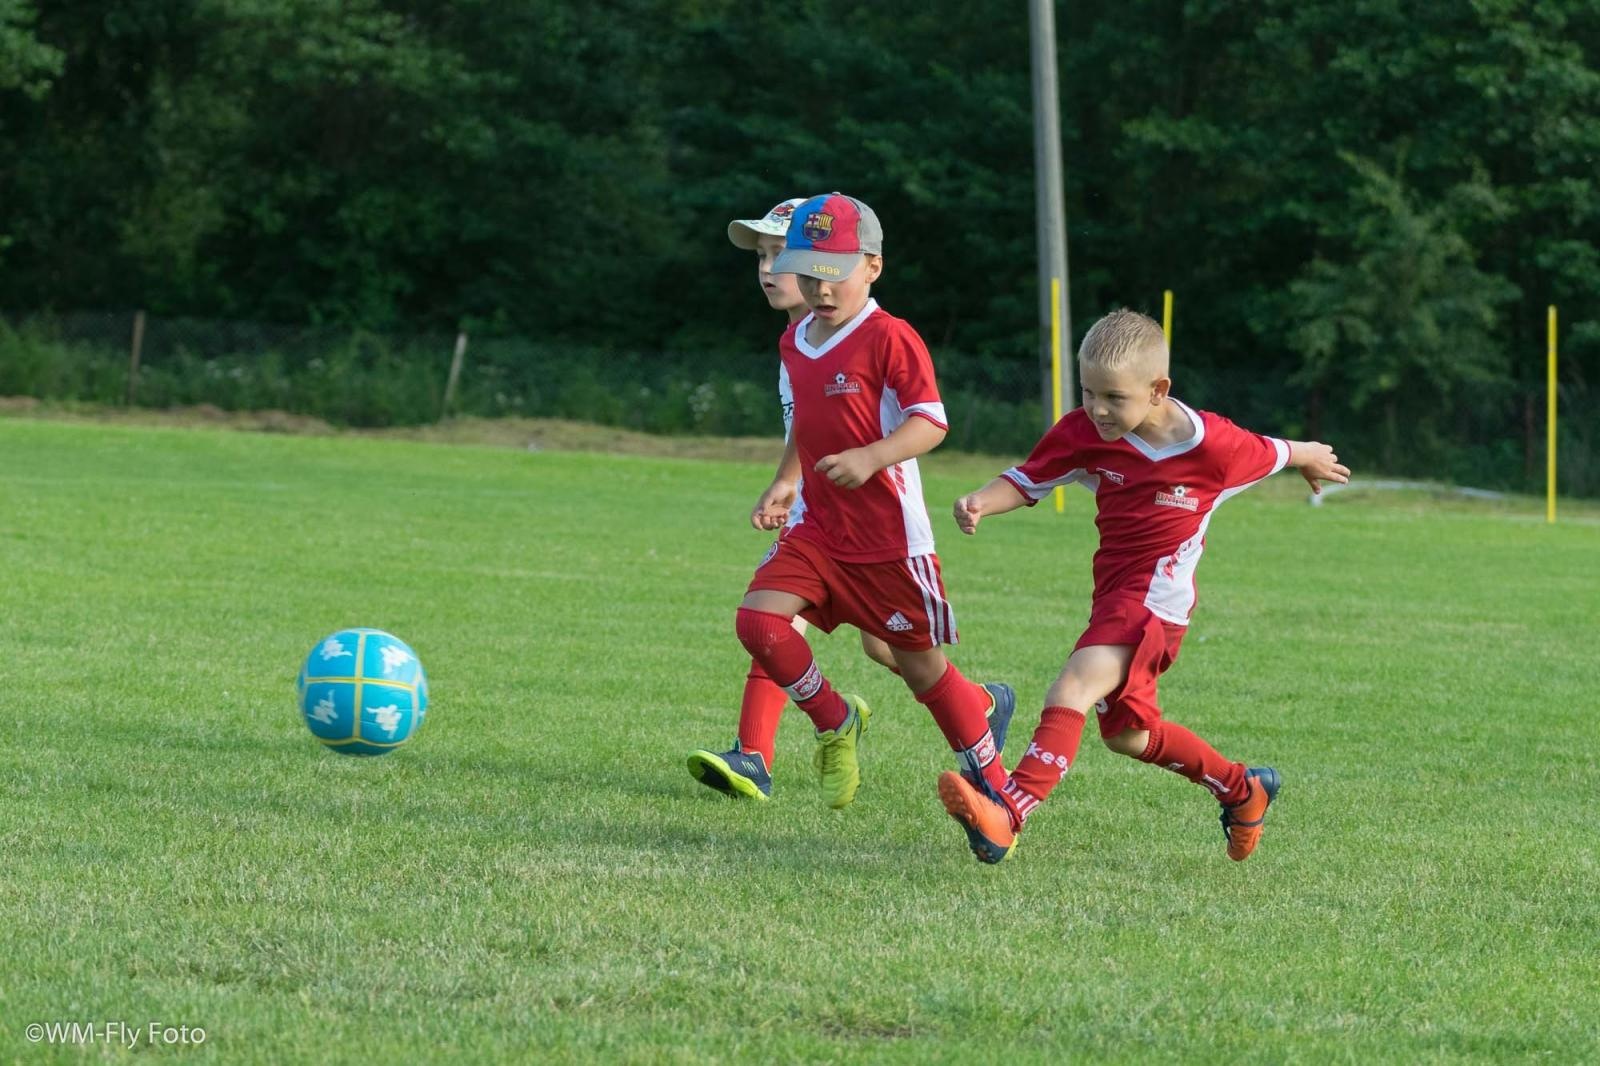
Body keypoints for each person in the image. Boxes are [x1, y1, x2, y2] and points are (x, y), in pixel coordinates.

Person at [937, 308, 1350, 863]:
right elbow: (1028, 478)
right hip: (1113, 596)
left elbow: (1273, 449)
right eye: (1088, 391)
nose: (1098, 409)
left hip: (1156, 606)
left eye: (1114, 397)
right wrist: (983, 501)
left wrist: (1310, 456)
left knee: (1073, 689)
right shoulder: (1084, 433)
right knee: (1128, 736)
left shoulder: (1214, 447)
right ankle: (1241, 789)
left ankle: (1006, 816)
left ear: (1158, 390)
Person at [715, 191, 1016, 811]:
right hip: (820, 530)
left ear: (873, 266)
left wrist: (871, 456)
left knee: (918, 666)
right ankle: (833, 721)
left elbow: (930, 423)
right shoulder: (795, 341)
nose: (819, 289)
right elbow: (809, 418)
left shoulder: (890, 337)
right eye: (806, 273)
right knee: (760, 622)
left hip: (887, 541)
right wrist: (786, 478)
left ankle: (996, 787)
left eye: (834, 274)